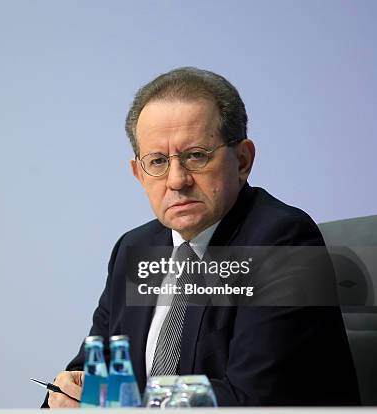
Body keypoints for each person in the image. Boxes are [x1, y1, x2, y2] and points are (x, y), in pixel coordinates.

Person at [43, 67, 360, 407]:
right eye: (158, 161)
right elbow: (92, 371)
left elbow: (250, 399)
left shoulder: (283, 240)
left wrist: (123, 400)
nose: (177, 180)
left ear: (242, 160)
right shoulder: (134, 250)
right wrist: (67, 393)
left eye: (196, 156)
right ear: (138, 173)